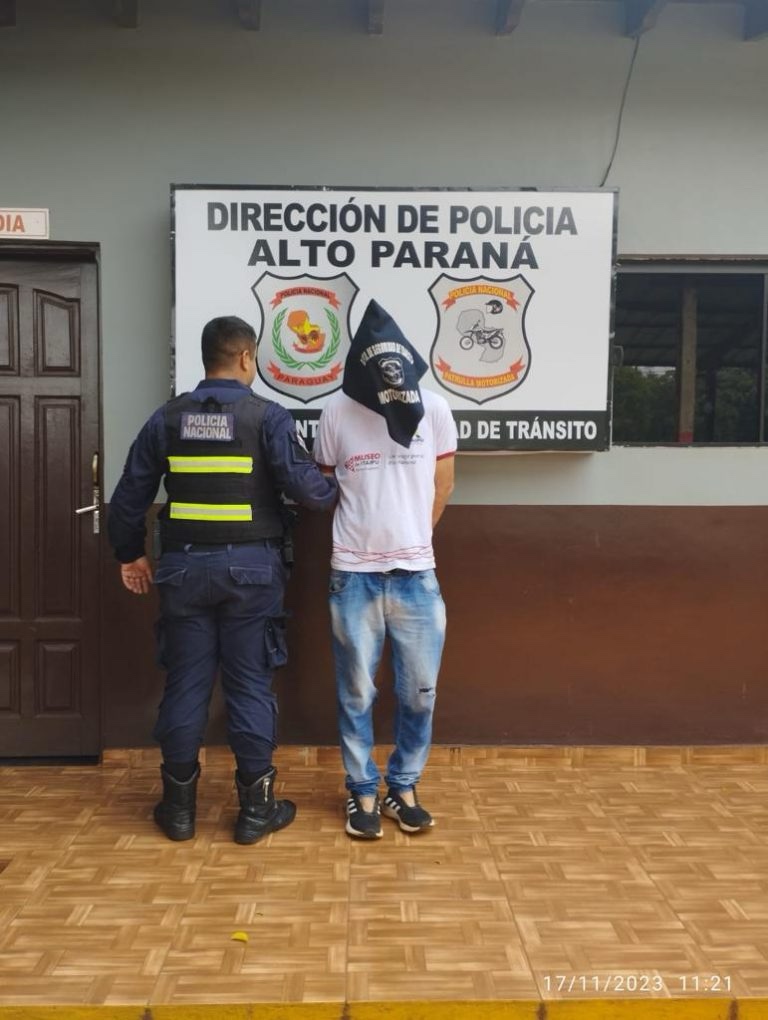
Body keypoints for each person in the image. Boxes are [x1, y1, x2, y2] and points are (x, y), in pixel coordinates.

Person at [108, 315, 337, 844]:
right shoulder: (268, 418)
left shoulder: (167, 419)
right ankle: (256, 811)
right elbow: (313, 495)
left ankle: (179, 810)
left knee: (186, 683)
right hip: (253, 575)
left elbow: (128, 500)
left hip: (182, 571)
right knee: (250, 684)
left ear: (207, 358)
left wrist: (129, 555)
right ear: (245, 358)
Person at [313, 299, 457, 839]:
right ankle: (362, 793)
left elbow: (444, 484)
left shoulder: (434, 409)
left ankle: (403, 785)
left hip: (418, 575)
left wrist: (416, 537)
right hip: (352, 574)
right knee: (356, 692)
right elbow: (325, 485)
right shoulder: (336, 413)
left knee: (420, 689)